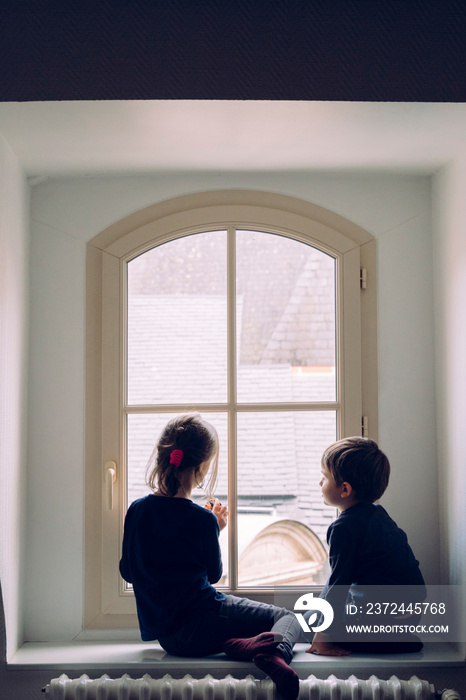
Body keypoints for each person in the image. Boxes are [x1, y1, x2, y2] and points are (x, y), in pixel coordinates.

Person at [119, 413, 301, 700]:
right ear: (202, 466)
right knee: (288, 617)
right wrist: (215, 527)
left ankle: (240, 644)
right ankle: (274, 654)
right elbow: (214, 575)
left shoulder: (137, 510)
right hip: (205, 622)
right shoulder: (202, 520)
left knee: (235, 623)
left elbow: (128, 572)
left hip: (170, 640)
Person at [307, 437, 426, 656]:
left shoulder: (343, 528)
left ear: (345, 489)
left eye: (324, 478)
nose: (319, 484)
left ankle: (382, 642)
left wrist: (323, 637)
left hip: (377, 620)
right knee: (310, 617)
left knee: (305, 626)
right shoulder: (378, 514)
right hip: (408, 619)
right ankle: (394, 640)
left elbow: (339, 584)